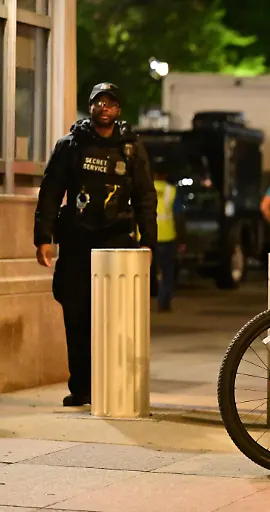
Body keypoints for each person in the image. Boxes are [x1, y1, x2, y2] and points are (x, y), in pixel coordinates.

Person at [33, 82, 157, 407]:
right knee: (75, 313)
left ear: (119, 110)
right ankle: (81, 387)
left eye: (111, 103)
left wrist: (149, 241)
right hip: (75, 241)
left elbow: (145, 196)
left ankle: (112, 383)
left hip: (116, 243)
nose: (104, 108)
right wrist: (42, 238)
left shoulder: (131, 148)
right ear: (90, 107)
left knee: (114, 316)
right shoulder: (70, 145)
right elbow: (50, 191)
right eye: (98, 102)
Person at [151, 168, 186, 312]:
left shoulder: (145, 189)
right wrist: (182, 238)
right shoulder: (171, 191)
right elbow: (178, 217)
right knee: (167, 272)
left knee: (145, 273)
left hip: (148, 238)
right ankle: (163, 303)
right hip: (167, 237)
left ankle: (140, 303)